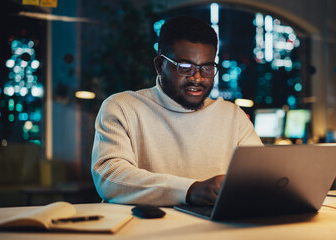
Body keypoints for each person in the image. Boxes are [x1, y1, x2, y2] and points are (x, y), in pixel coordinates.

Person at [91, 15, 263, 207]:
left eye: (206, 68)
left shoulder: (232, 116)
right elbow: (109, 177)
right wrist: (191, 190)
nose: (197, 78)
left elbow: (261, 176)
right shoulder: (123, 107)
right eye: (184, 67)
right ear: (159, 65)